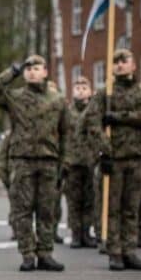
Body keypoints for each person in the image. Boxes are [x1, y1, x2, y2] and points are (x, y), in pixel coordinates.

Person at [0, 55, 67, 272]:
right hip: (22, 161)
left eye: (36, 68)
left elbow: (66, 133)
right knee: (22, 210)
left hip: (48, 161)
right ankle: (27, 254)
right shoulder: (15, 97)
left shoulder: (57, 100)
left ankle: (45, 253)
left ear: (45, 72)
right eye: (28, 69)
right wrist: (11, 73)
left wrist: (64, 164)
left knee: (47, 211)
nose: (32, 71)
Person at [85, 49, 141, 271]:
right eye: (115, 62)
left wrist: (120, 117)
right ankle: (114, 252)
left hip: (137, 157)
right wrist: (104, 152)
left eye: (124, 61)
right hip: (114, 158)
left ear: (133, 66)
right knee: (113, 208)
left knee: (132, 207)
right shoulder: (105, 93)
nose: (119, 65)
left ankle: (130, 250)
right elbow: (93, 124)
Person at [63, 76, 97, 248]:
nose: (81, 89)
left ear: (90, 91)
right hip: (72, 162)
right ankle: (76, 234)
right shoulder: (67, 112)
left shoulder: (95, 111)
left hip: (90, 161)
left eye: (84, 86)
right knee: (74, 201)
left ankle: (86, 232)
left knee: (89, 200)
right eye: (77, 86)